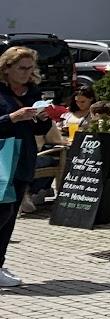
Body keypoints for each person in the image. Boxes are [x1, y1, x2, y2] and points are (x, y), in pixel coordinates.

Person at [0, 46, 54, 288]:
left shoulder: (32, 92)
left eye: (30, 68)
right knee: (3, 211)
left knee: (11, 214)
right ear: (6, 68)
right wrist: (12, 117)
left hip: (23, 158)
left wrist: (43, 119)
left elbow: (38, 130)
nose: (26, 73)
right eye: (21, 68)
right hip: (1, 157)